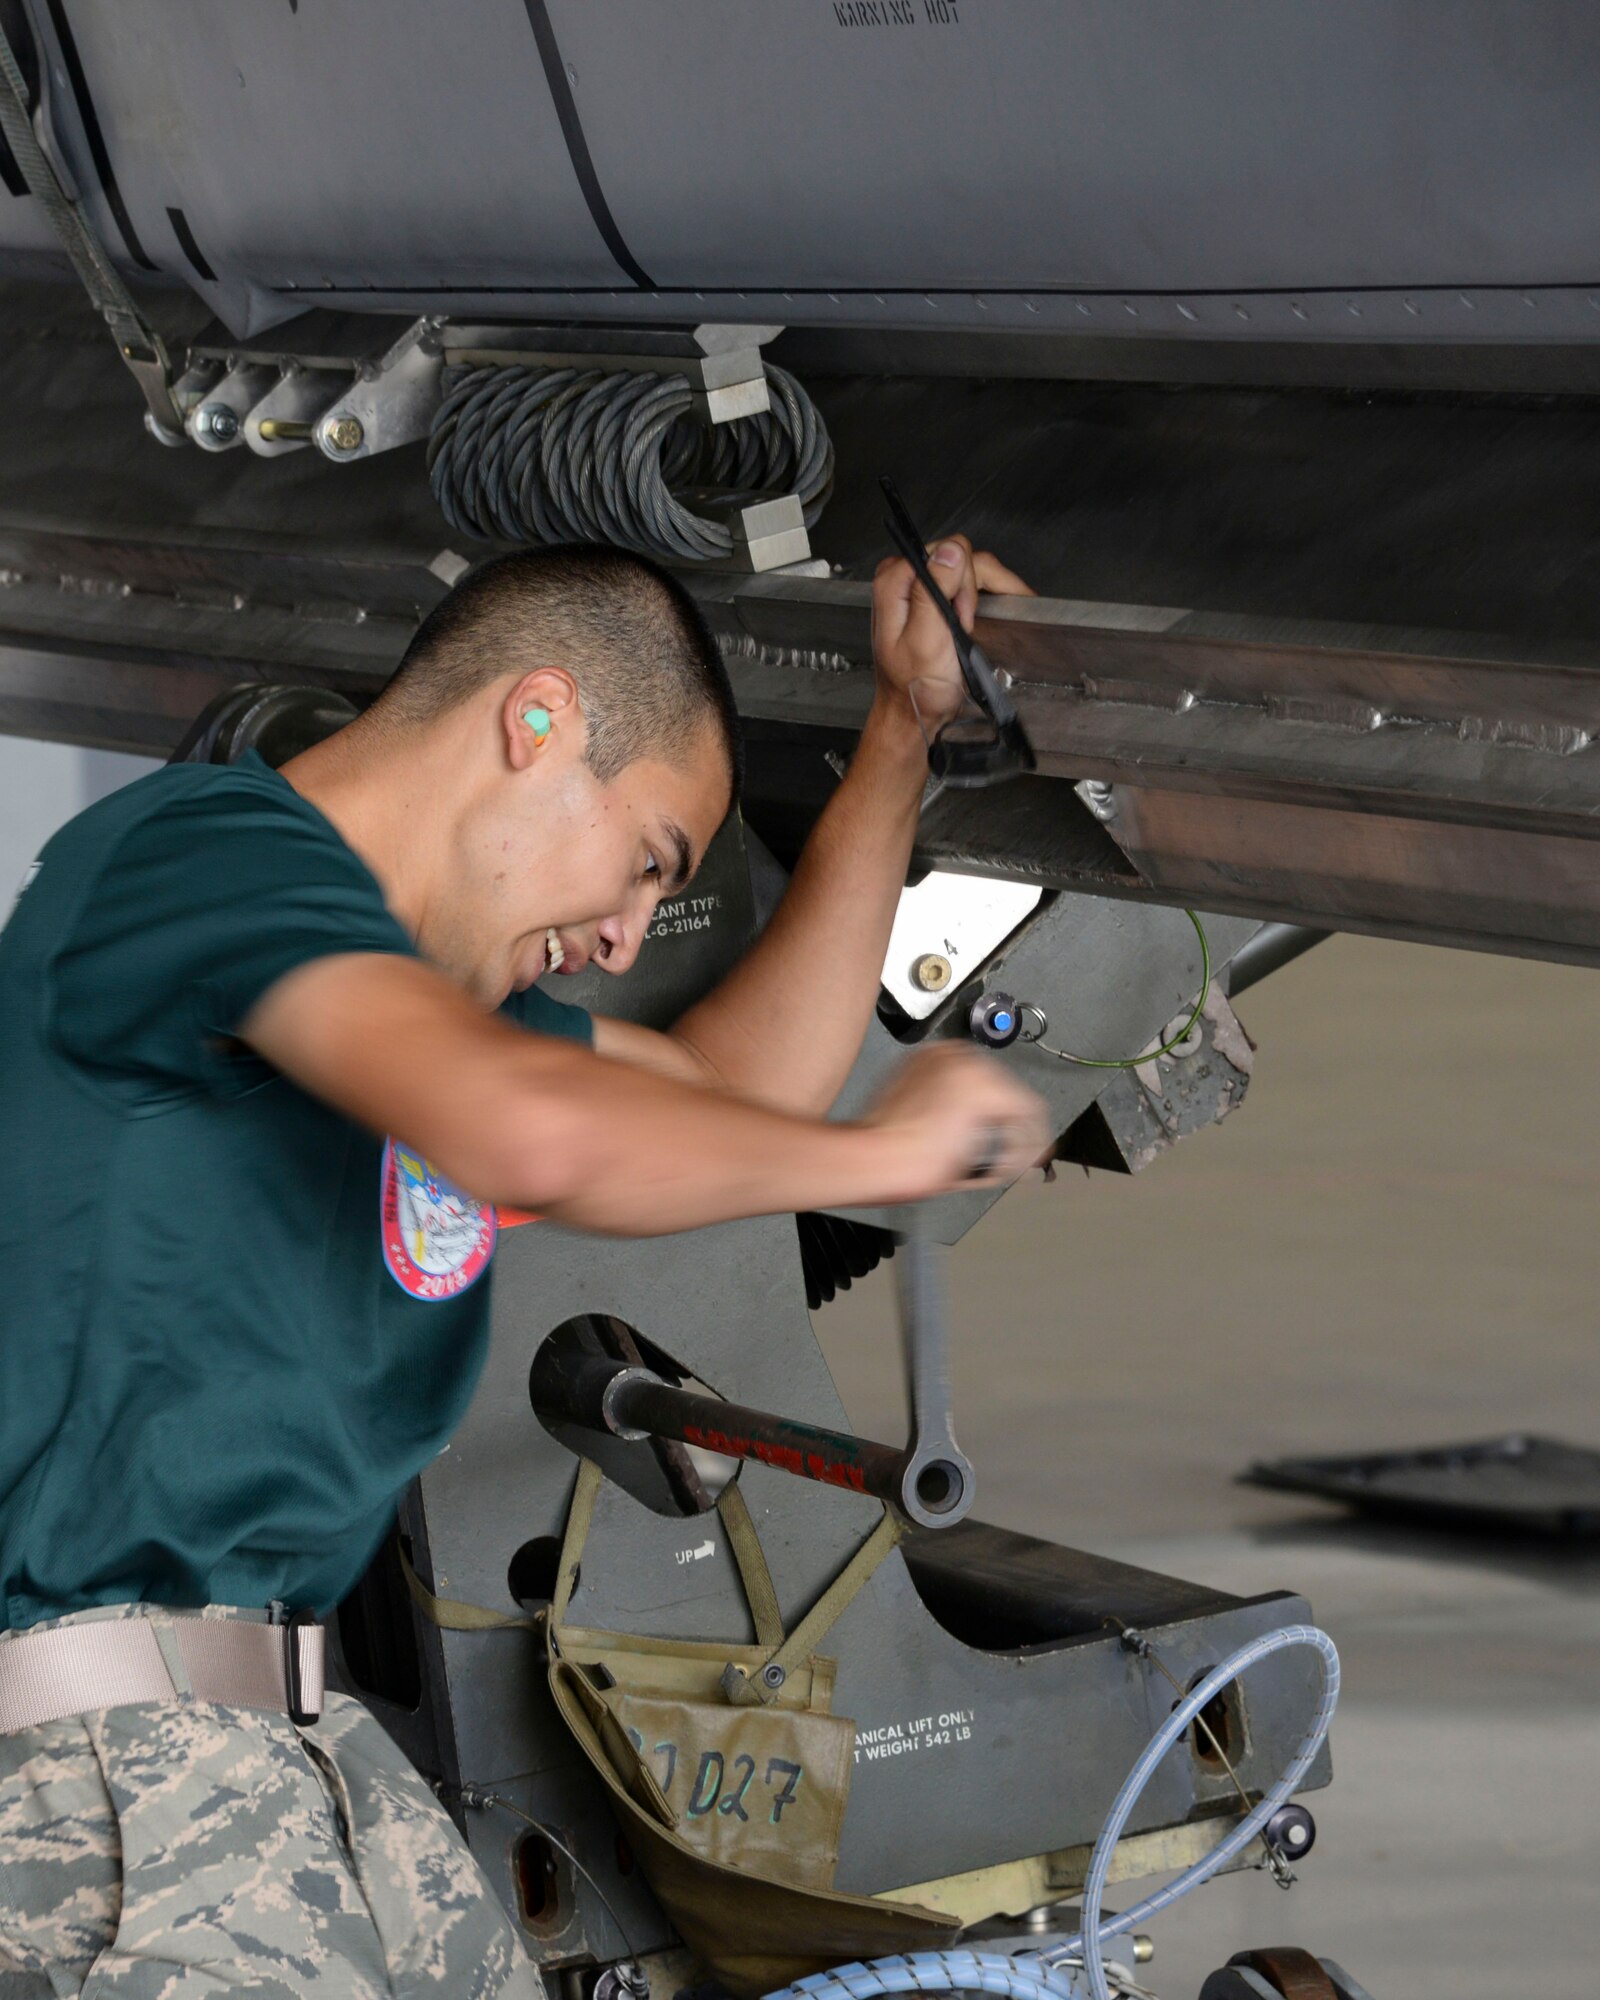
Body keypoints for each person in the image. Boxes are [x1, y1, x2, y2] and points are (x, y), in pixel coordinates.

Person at [0, 534, 1047, 1997]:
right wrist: (885, 1159)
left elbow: (719, 1090)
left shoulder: (396, 1007)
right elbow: (522, 1132)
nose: (625, 936)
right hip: (104, 1784)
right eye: (646, 860)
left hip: (292, 1749)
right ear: (536, 719)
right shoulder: (208, 860)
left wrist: (903, 731)